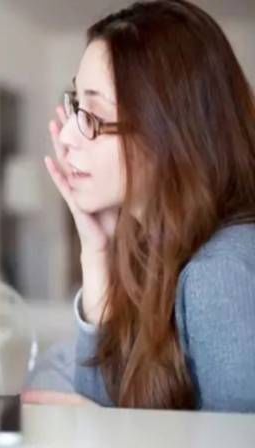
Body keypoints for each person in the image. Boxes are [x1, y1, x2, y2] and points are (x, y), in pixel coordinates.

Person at [43, 0, 255, 411]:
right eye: (75, 105)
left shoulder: (222, 274)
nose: (67, 135)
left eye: (93, 115)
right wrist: (96, 250)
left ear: (167, 133)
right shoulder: (155, 251)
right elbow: (109, 411)